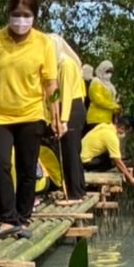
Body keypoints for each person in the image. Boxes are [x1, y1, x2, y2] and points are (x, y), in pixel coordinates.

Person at [0, 0, 59, 239]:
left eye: (26, 15)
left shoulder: (43, 42)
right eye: (16, 15)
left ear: (34, 16)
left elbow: (51, 84)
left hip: (32, 113)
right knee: (0, 163)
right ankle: (7, 218)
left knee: (27, 167)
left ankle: (22, 217)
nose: (20, 20)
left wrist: (56, 114)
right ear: (8, 14)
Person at [50, 34, 87, 202]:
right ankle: (79, 190)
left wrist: (63, 120)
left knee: (70, 152)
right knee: (72, 151)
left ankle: (74, 194)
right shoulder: (60, 65)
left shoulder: (66, 65)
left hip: (71, 108)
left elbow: (65, 94)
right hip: (72, 108)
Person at [81, 116, 134, 188]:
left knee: (111, 155)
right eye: (126, 132)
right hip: (84, 161)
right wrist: (131, 179)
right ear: (122, 128)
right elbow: (117, 161)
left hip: (80, 157)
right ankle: (91, 173)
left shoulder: (104, 126)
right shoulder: (111, 137)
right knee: (111, 161)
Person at [86, 60, 120, 133]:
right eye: (107, 71)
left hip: (107, 120)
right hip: (96, 119)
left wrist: (116, 109)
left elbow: (112, 101)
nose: (109, 74)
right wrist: (114, 106)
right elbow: (98, 100)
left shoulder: (110, 86)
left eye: (111, 72)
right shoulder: (96, 82)